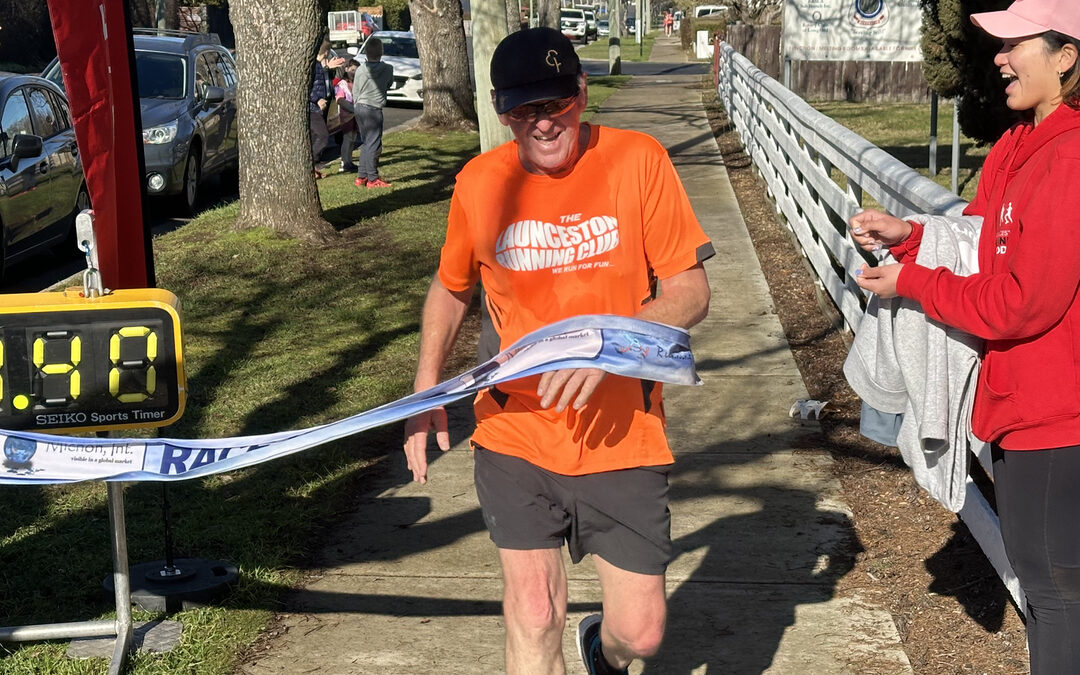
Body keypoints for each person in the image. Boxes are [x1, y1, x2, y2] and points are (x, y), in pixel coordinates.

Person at [403, 27, 713, 675]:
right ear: (499, 110)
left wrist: (604, 345)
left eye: (555, 105)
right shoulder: (479, 183)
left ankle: (603, 647)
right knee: (535, 610)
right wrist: (426, 388)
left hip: (622, 428)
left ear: (581, 91)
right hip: (515, 429)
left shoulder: (638, 159)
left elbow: (689, 291)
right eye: (523, 111)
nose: (542, 124)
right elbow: (451, 286)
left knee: (644, 634)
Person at [849, 1, 1080, 671]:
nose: (999, 58)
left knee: (1057, 593)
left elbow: (1020, 303)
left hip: (1057, 417)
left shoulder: (1068, 156)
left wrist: (913, 282)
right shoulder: (1017, 143)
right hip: (1016, 407)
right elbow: (980, 245)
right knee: (1048, 590)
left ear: (1067, 55)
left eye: (1015, 43)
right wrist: (911, 234)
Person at [351, 37, 394, 189]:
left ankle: (361, 176)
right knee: (373, 143)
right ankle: (372, 178)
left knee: (366, 142)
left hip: (360, 107)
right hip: (373, 109)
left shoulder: (361, 69)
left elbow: (355, 90)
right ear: (381, 52)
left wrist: (356, 104)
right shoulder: (388, 69)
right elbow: (389, 83)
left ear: (366, 53)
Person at [310, 37, 346, 179]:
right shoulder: (314, 66)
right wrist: (316, 99)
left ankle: (313, 169)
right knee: (322, 136)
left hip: (324, 105)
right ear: (326, 53)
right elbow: (308, 87)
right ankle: (310, 163)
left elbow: (328, 81)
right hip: (313, 107)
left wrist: (331, 69)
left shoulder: (323, 66)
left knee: (314, 137)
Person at [335, 60, 360, 173]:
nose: (354, 72)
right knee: (347, 138)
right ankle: (344, 162)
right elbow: (339, 99)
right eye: (352, 70)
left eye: (357, 70)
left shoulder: (356, 83)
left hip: (355, 114)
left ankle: (349, 161)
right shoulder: (343, 84)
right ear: (346, 69)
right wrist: (351, 108)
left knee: (353, 138)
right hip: (346, 114)